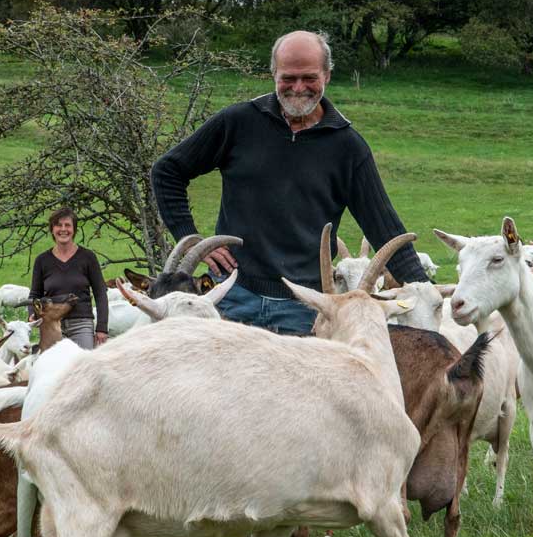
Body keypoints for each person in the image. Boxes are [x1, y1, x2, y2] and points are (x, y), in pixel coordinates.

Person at [151, 30, 427, 335]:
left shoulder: (348, 147)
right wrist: (192, 239)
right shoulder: (239, 122)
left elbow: (384, 227)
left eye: (309, 77)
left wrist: (423, 290)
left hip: (302, 309)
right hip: (231, 297)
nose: (298, 88)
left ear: (327, 75)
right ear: (273, 74)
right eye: (288, 78)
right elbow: (167, 172)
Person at [28, 207, 108, 348]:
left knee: (83, 367)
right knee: (54, 368)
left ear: (74, 229)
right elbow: (35, 294)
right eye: (58, 225)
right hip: (51, 325)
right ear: (52, 229)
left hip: (81, 325)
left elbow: (100, 293)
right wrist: (31, 314)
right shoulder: (42, 260)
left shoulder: (88, 257)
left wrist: (101, 327)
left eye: (68, 225)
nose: (63, 229)